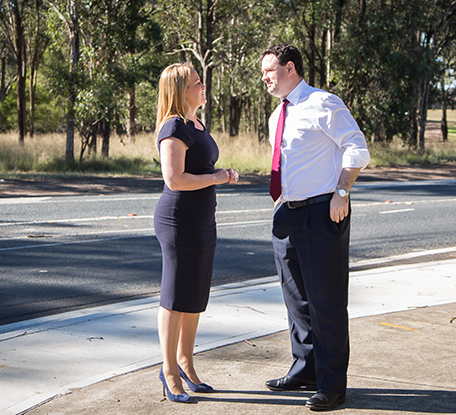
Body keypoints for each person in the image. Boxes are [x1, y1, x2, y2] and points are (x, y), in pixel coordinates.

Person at [261, 44, 370, 411]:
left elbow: (356, 147)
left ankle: (332, 385)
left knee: (327, 303)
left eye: (269, 71)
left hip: (324, 212)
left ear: (290, 68)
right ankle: (305, 369)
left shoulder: (323, 103)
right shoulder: (278, 115)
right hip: (287, 214)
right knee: (296, 300)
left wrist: (342, 192)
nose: (265, 79)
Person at [153, 62, 239, 403]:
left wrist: (221, 174)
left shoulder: (196, 124)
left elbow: (199, 168)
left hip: (203, 219)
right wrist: (217, 178)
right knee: (174, 297)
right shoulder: (173, 126)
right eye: (197, 83)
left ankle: (186, 361)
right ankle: (169, 370)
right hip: (178, 220)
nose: (203, 86)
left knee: (195, 294)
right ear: (179, 90)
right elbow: (174, 179)